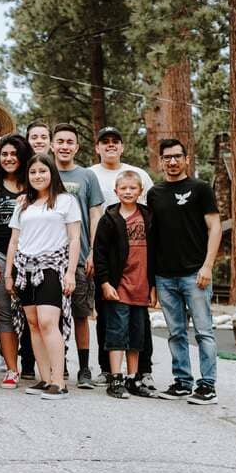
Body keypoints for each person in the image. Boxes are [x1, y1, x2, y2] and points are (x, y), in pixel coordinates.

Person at [149, 139, 221, 405]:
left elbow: (215, 227)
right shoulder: (155, 193)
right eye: (167, 157)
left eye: (177, 156)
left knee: (204, 331)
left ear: (187, 159)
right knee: (176, 332)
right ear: (161, 161)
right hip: (165, 275)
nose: (172, 161)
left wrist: (208, 266)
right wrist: (152, 281)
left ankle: (207, 385)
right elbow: (154, 237)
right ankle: (182, 381)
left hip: (195, 274)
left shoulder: (200, 189)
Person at [5, 153, 81, 400]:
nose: (38, 176)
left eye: (43, 171)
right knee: (34, 325)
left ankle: (59, 381)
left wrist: (70, 273)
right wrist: (8, 274)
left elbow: (74, 239)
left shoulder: (66, 201)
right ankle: (45, 377)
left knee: (49, 322)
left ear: (52, 173)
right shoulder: (23, 203)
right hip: (25, 269)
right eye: (33, 172)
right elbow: (14, 240)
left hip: (51, 268)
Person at [90, 126, 156, 391]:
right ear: (116, 192)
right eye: (104, 142)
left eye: (133, 188)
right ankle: (112, 375)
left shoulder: (148, 216)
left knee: (137, 334)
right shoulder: (109, 216)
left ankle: (135, 376)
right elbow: (101, 251)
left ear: (140, 190)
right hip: (117, 283)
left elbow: (155, 250)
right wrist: (104, 280)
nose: (128, 191)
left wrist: (153, 285)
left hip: (141, 285)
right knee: (114, 329)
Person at [51, 123, 104, 389]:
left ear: (77, 147)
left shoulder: (86, 176)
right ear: (52, 145)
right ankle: (57, 366)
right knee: (52, 315)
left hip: (80, 256)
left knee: (81, 314)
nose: (64, 146)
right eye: (59, 141)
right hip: (49, 257)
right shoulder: (43, 172)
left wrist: (94, 250)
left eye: (69, 142)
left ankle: (84, 368)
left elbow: (95, 214)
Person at [0, 134, 32, 388]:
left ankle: (39, 364)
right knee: (5, 313)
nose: (9, 158)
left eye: (14, 154)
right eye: (4, 154)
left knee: (33, 313)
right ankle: (12, 368)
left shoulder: (33, 182)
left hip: (31, 255)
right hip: (0, 254)